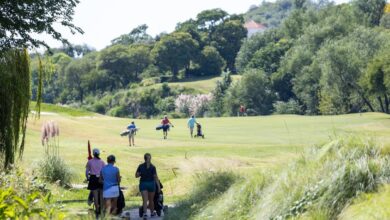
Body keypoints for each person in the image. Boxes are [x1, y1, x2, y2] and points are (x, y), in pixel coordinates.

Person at [136, 153, 161, 219]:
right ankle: (151, 213)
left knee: (146, 200)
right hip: (150, 184)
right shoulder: (153, 167)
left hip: (144, 184)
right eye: (149, 158)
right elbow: (155, 177)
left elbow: (136, 175)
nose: (149, 159)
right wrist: (158, 187)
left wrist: (140, 173)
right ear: (147, 159)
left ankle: (146, 214)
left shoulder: (141, 166)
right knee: (150, 200)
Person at [86, 148, 105, 216]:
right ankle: (102, 210)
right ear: (99, 154)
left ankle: (97, 210)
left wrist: (87, 178)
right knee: (101, 196)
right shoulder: (102, 162)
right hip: (100, 178)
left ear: (93, 154)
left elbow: (87, 172)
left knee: (95, 196)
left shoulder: (90, 161)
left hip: (93, 178)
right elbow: (104, 172)